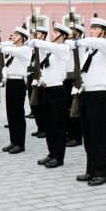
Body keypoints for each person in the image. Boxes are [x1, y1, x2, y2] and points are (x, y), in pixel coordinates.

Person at [69, 18, 106, 186]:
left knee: (99, 136)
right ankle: (91, 170)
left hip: (100, 95)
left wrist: (79, 40)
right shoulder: (90, 51)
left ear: (104, 31)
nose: (91, 31)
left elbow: (95, 42)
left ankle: (102, 173)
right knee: (88, 136)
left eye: (95, 28)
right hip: (86, 94)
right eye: (91, 28)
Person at [28, 23, 71, 168]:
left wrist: (37, 41)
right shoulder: (51, 51)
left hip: (57, 90)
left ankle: (59, 157)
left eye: (55, 33)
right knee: (49, 125)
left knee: (58, 125)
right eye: (52, 32)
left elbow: (49, 46)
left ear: (62, 36)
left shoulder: (63, 48)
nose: (52, 35)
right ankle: (51, 153)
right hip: (45, 89)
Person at [1, 27, 31, 154]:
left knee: (18, 114)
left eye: (16, 35)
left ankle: (20, 143)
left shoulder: (24, 49)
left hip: (19, 82)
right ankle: (13, 141)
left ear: (22, 37)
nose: (12, 36)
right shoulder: (15, 50)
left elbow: (6, 48)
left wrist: (1, 47)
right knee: (11, 114)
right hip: (11, 82)